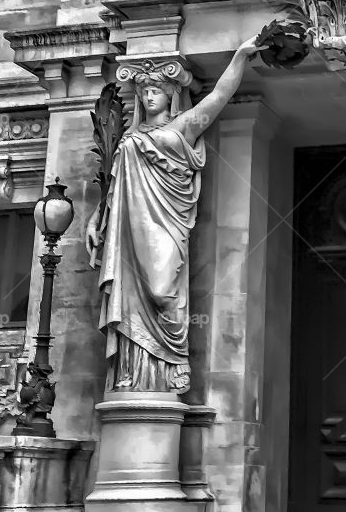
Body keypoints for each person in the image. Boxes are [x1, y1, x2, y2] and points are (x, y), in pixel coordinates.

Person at [85, 38, 263, 394]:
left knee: (162, 289)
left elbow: (218, 97)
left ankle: (172, 357)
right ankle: (137, 373)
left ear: (171, 95)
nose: (149, 96)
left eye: (157, 90)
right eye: (144, 91)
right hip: (128, 224)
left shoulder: (182, 127)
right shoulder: (131, 136)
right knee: (132, 288)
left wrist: (240, 56)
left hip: (167, 221)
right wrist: (96, 218)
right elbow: (115, 186)